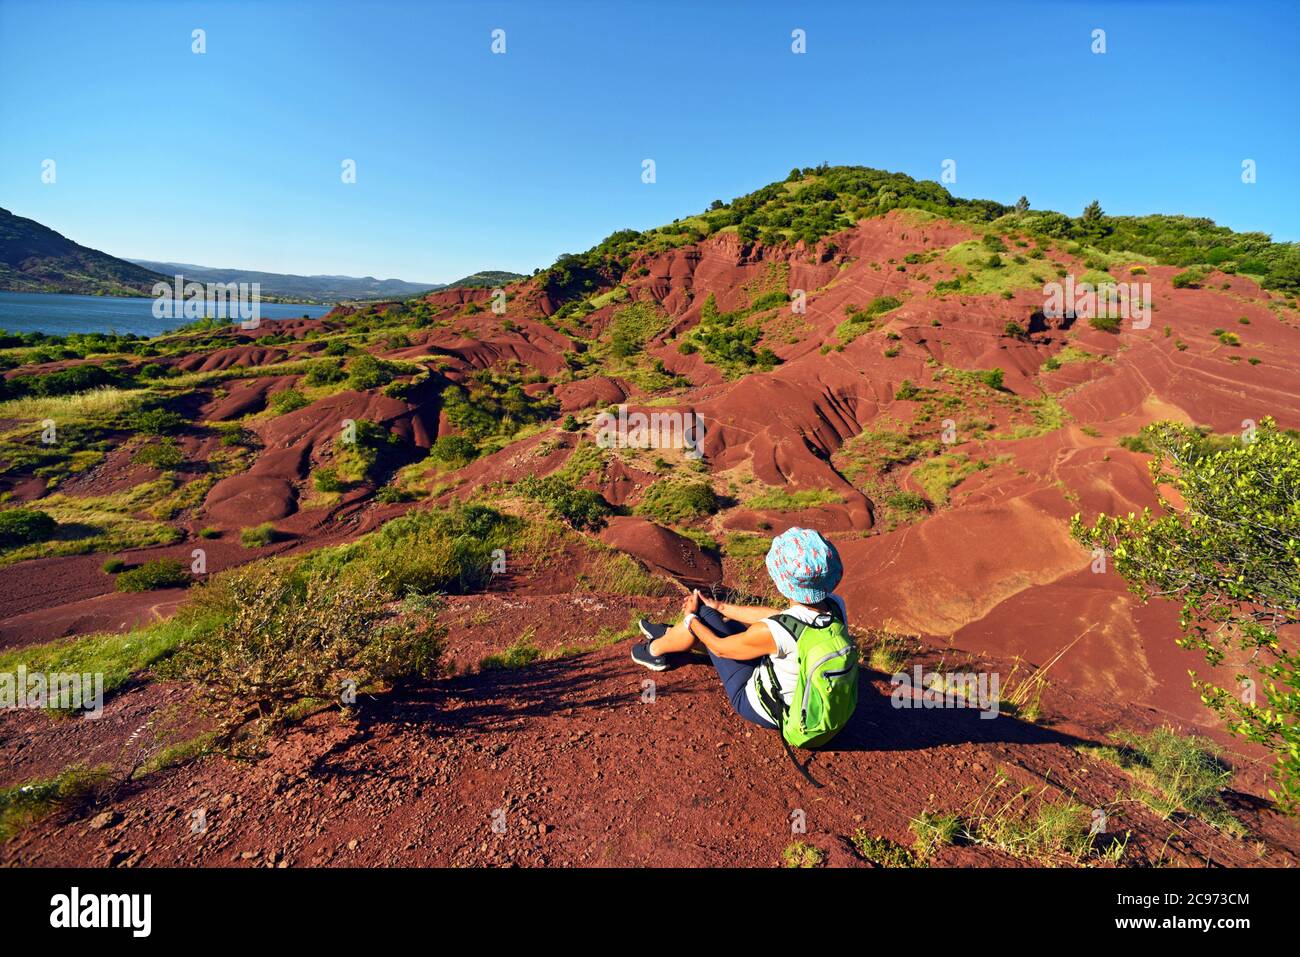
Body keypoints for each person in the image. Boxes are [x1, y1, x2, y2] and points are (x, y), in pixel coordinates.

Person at [631, 527, 846, 730]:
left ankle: (655, 650)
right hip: (812, 704)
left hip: (762, 707)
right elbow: (783, 618)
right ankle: (671, 635)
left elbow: (721, 648)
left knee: (705, 618)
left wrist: (691, 619)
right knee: (725, 621)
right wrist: (721, 606)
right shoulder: (836, 606)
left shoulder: (774, 632)